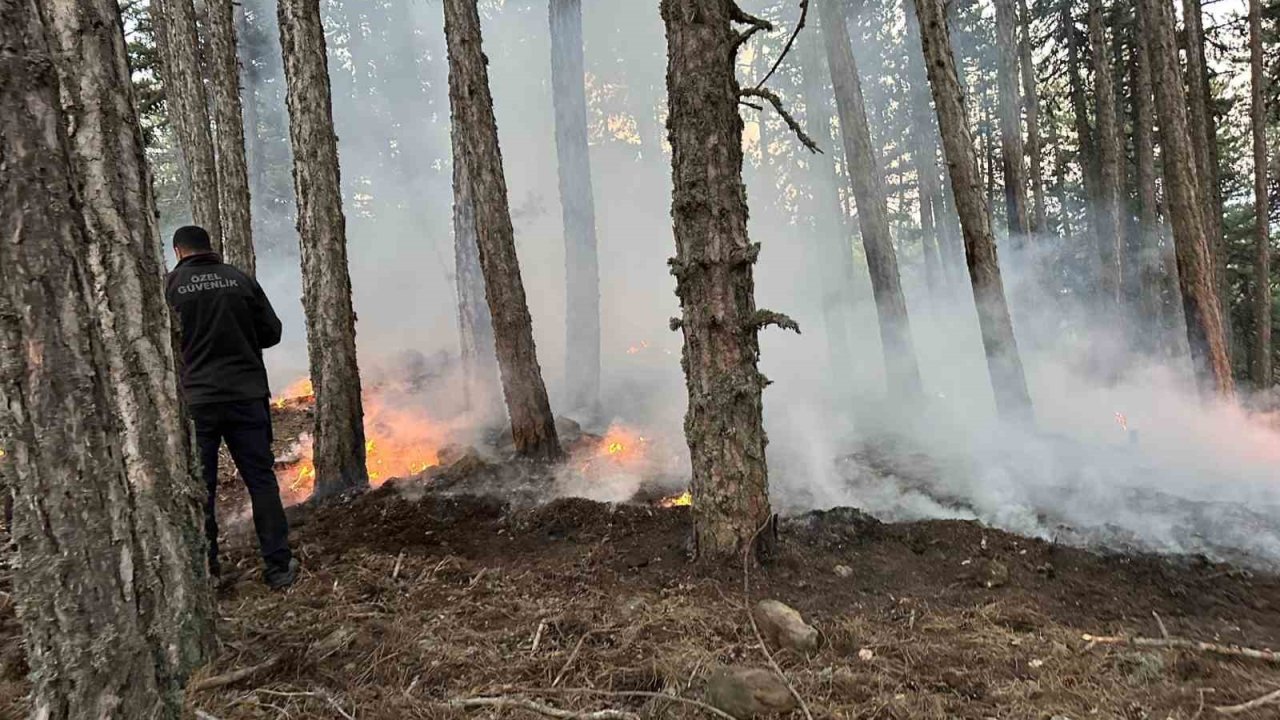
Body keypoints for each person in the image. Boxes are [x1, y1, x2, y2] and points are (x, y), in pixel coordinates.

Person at [166, 226, 299, 590]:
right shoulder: (239, 279)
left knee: (201, 487)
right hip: (246, 396)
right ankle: (279, 568)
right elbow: (272, 332)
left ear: (178, 251)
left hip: (198, 403)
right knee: (260, 481)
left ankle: (206, 572)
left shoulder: (170, 287)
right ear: (211, 248)